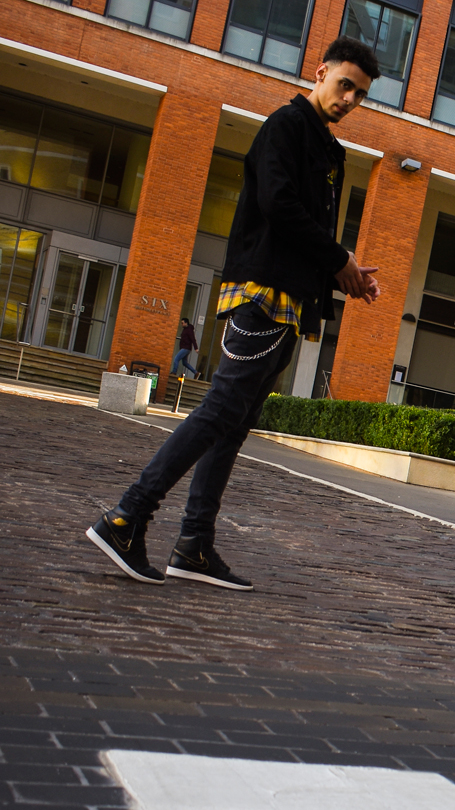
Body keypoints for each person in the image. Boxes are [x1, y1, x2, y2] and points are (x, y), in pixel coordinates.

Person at [87, 37, 382, 591]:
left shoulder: (327, 147)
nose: (349, 100)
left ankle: (194, 544)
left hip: (291, 301)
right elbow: (278, 204)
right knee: (221, 409)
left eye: (360, 95)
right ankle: (126, 518)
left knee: (235, 422)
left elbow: (308, 228)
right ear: (319, 73)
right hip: (260, 294)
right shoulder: (287, 125)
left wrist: (344, 274)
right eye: (344, 85)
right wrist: (338, 258)